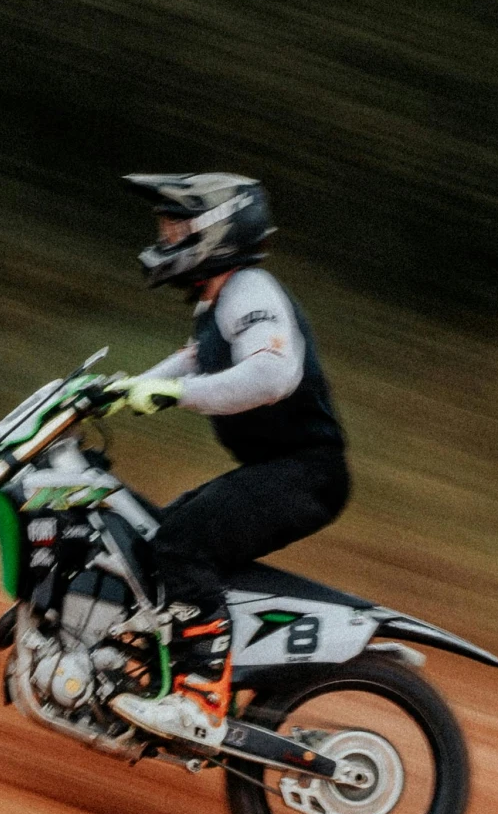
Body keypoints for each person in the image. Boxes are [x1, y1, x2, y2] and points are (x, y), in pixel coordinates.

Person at [106, 171, 349, 749]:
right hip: (279, 470)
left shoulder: (250, 290)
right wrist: (119, 390)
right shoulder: (219, 301)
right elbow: (193, 360)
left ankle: (200, 699)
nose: (166, 239)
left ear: (217, 231)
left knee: (183, 544)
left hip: (306, 473)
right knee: (158, 536)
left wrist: (174, 396)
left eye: (177, 227)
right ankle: (160, 668)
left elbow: (272, 373)